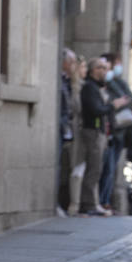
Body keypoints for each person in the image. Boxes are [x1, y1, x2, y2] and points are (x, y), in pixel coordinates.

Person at [79, 56, 130, 216]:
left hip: (100, 132)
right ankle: (88, 204)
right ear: (94, 70)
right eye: (101, 67)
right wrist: (113, 105)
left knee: (99, 169)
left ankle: (95, 203)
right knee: (94, 169)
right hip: (93, 132)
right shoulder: (89, 88)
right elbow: (96, 109)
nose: (105, 70)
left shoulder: (97, 87)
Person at [100, 52, 132, 213]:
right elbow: (116, 101)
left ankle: (105, 200)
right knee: (106, 167)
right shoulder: (105, 84)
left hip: (122, 131)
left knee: (111, 168)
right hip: (110, 130)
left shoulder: (117, 81)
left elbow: (128, 98)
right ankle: (102, 201)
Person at [58, 48, 79, 216]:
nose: (74, 66)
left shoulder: (68, 81)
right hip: (61, 128)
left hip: (65, 129)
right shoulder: (60, 81)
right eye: (72, 62)